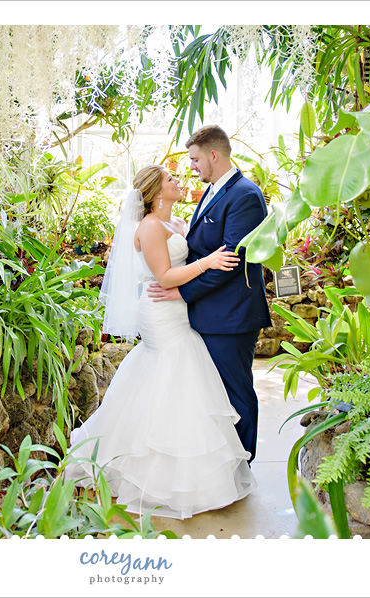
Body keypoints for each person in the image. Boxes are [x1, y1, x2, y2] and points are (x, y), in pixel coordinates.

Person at [65, 165, 257, 520]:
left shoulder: (178, 223)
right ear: (156, 192)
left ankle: (189, 472)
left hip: (181, 310)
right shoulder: (150, 227)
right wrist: (209, 263)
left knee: (181, 382)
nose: (178, 181)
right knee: (173, 374)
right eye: (171, 180)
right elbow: (165, 276)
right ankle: (155, 474)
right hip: (161, 313)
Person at [147, 125, 271, 463]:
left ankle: (242, 463)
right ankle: (223, 463)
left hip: (231, 315)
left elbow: (231, 259)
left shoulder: (244, 195)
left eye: (195, 159)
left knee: (237, 393)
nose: (191, 166)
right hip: (212, 312)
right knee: (216, 394)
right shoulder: (215, 189)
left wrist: (182, 291)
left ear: (214, 155)